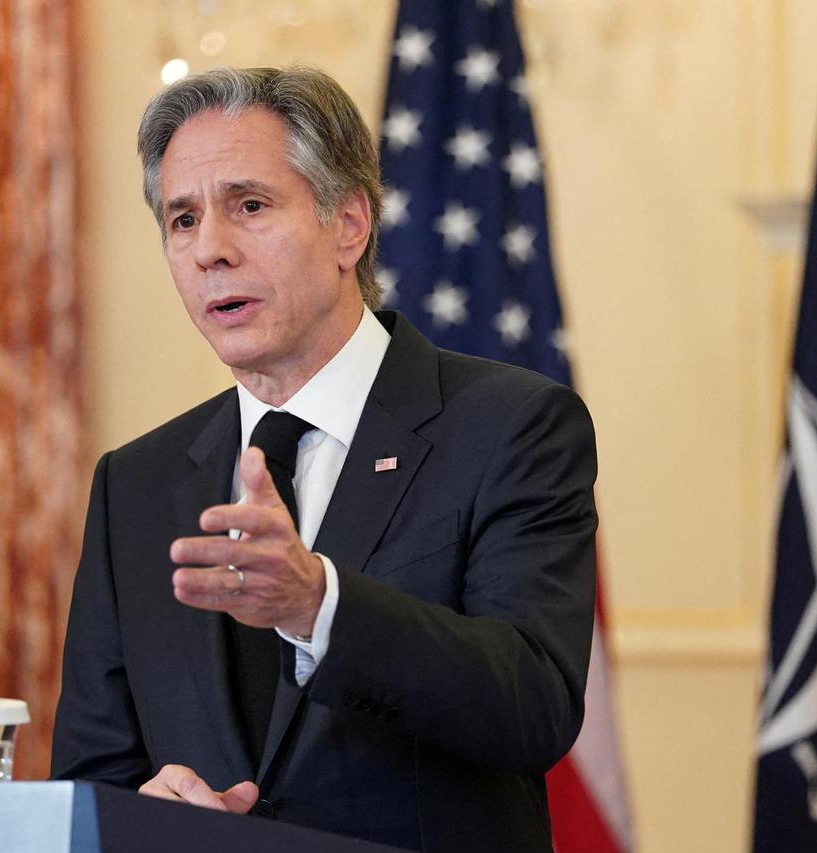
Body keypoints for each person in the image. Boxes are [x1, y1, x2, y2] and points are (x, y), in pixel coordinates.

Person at [51, 66, 598, 853]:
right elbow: (92, 775)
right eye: (181, 219)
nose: (210, 249)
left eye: (249, 205)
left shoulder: (510, 426)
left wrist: (321, 607)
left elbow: (534, 704)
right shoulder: (135, 482)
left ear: (348, 223)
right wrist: (149, 809)